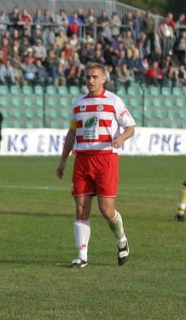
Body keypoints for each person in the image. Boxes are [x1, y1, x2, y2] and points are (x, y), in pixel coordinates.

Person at [56, 62, 136, 269]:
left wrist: (121, 139)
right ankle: (82, 256)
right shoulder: (78, 103)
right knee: (81, 207)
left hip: (106, 159)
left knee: (106, 210)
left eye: (94, 77)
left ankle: (122, 241)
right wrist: (63, 159)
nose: (90, 80)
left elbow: (130, 127)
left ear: (103, 79)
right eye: (88, 77)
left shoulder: (113, 101)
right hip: (82, 160)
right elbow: (72, 133)